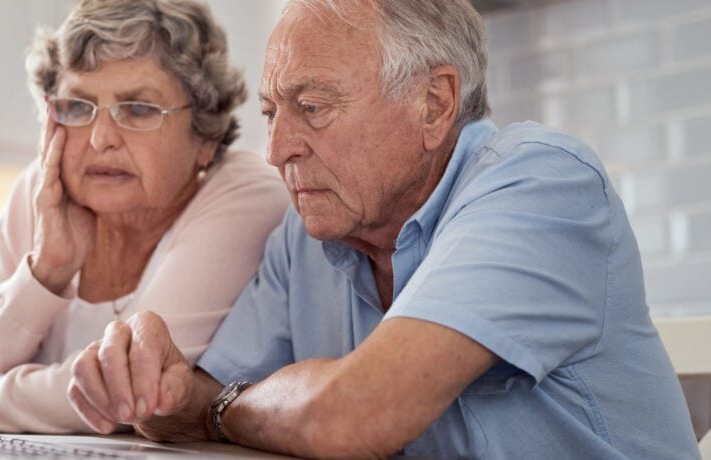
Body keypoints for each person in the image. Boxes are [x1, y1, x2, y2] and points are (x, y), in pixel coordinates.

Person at [66, 0, 701, 458]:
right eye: (270, 112)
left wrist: (217, 410)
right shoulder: (307, 233)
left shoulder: (542, 184)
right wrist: (167, 386)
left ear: (434, 103)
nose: (278, 148)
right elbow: (202, 396)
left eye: (312, 108)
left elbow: (350, 419)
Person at [0, 0, 288, 434]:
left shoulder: (246, 194)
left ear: (206, 133)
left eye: (139, 110)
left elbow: (124, 389)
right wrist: (45, 272)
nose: (101, 138)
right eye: (78, 107)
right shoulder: (45, 187)